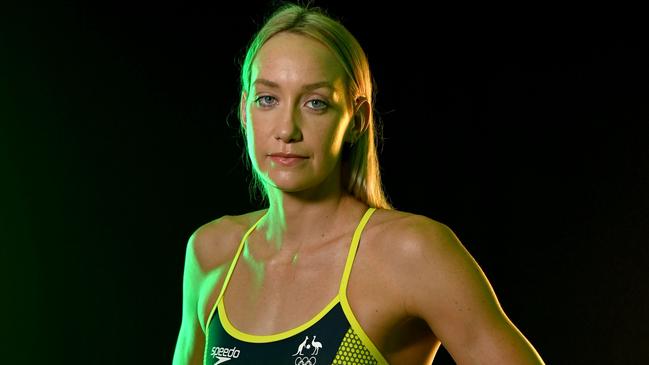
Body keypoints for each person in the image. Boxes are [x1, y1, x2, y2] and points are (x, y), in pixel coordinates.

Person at [173, 3, 545, 364]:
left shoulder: (409, 252)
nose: (286, 130)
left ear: (357, 120)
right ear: (244, 110)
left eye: (316, 103)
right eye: (267, 99)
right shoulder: (212, 252)